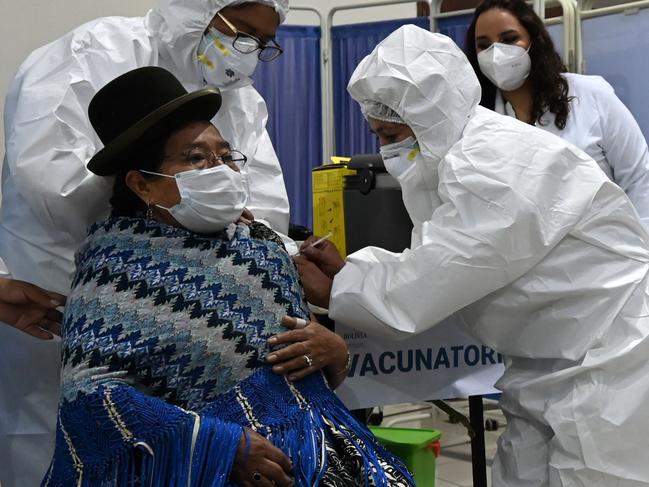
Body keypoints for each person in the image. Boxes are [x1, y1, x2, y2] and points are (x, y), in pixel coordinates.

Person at [295, 25, 649, 487]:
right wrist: (354, 272)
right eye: (377, 133)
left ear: (430, 117)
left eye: (393, 133)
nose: (387, 149)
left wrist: (343, 285)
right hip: (547, 364)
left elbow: (435, 279)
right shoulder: (460, 152)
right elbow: (441, 251)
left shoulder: (494, 162)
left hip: (609, 362)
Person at [42, 65, 414, 487]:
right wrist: (218, 444)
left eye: (224, 155)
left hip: (318, 452)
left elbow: (300, 360)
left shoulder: (260, 244)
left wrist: (335, 353)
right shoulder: (114, 275)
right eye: (196, 158)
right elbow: (88, 398)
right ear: (142, 185)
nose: (220, 169)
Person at [0, 1, 293, 484]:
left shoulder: (240, 96)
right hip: (61, 295)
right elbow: (55, 187)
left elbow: (261, 207)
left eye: (263, 42)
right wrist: (181, 211)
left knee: (208, 451)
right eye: (241, 30)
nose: (248, 52)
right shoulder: (96, 51)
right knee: (74, 449)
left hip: (203, 322)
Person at [463, 0, 649, 227]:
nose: (496, 53)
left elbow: (639, 176)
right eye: (484, 45)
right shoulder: (480, 120)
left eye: (509, 39)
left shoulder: (592, 95)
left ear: (534, 40)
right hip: (534, 257)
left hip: (612, 250)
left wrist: (641, 248)